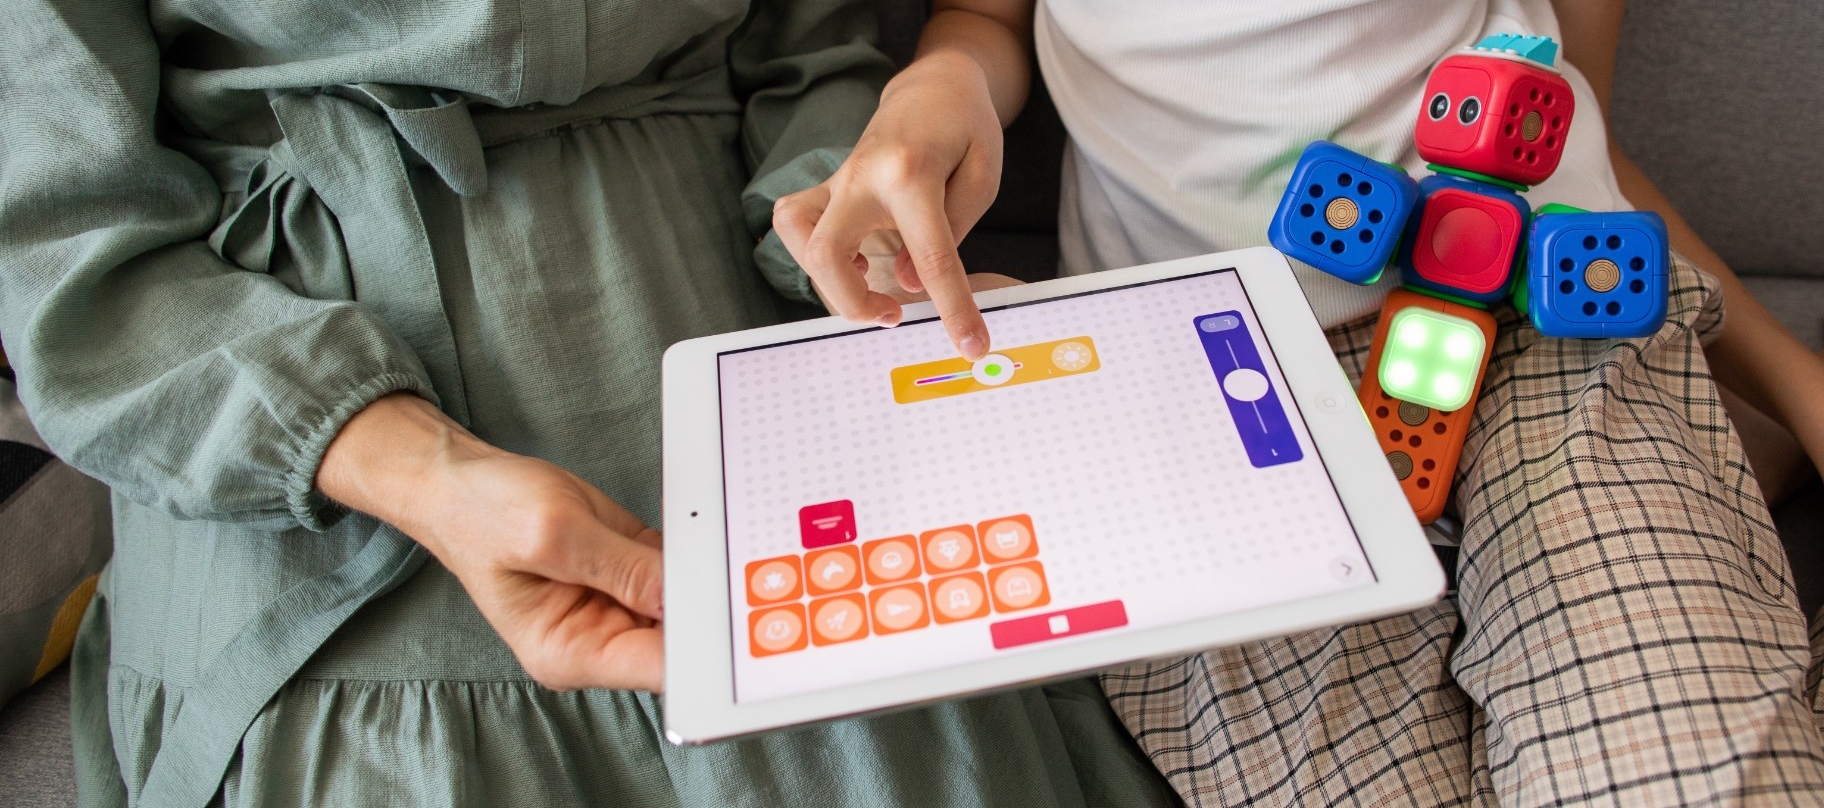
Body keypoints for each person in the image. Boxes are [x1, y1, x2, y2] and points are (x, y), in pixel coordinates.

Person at [776, 0, 1824, 803]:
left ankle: (1807, 452)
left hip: (1541, 334)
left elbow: (1577, 131)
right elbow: (985, 16)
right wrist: (938, 86)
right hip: (1211, 395)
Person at [0, 0, 1182, 805]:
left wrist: (854, 250)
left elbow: (803, 57)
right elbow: (64, 248)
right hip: (278, 424)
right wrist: (415, 468)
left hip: (732, 338)